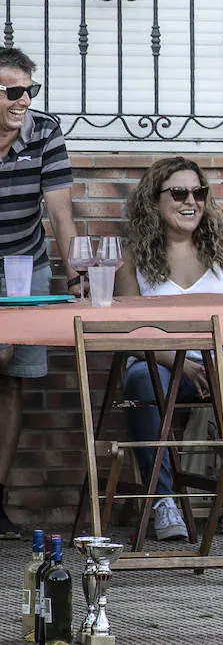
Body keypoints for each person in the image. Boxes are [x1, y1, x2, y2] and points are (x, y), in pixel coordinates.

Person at [113, 157, 223, 539]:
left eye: (198, 192)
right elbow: (129, 334)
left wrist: (219, 362)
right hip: (161, 361)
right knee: (140, 383)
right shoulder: (134, 257)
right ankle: (163, 500)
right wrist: (183, 364)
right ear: (153, 201)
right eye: (178, 193)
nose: (191, 201)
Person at [0, 46, 79, 538]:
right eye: (13, 91)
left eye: (30, 90)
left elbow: (61, 214)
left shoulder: (44, 131)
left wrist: (75, 277)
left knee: (12, 379)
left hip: (25, 267)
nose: (24, 100)